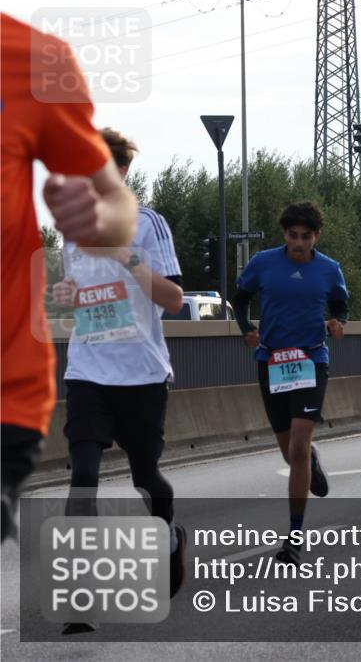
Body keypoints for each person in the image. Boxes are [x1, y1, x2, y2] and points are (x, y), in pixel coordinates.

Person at [2, 13, 139, 543]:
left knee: (138, 472)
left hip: (6, 388)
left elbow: (116, 204)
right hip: (86, 367)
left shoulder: (36, 60)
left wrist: (96, 219)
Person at [50, 129, 185, 634]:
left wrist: (128, 260)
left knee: (145, 479)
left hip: (143, 375)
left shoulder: (149, 225)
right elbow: (76, 296)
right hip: (88, 371)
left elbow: (172, 300)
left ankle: (169, 534)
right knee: (83, 475)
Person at [233, 201, 349, 565]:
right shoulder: (264, 263)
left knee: (297, 446)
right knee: (291, 452)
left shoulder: (329, 269)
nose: (299, 243)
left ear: (317, 237)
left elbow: (340, 305)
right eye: (293, 236)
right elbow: (239, 298)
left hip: (311, 360)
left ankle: (294, 536)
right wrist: (246, 330)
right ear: (284, 234)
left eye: (306, 237)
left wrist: (337, 323)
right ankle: (310, 464)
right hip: (271, 360)